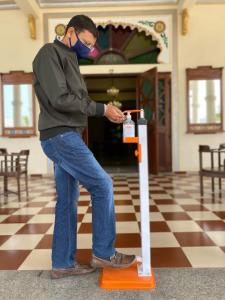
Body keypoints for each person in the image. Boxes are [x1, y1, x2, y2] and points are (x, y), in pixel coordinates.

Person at [32, 15, 136, 280]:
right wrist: (101, 108)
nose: (88, 49)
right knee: (103, 185)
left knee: (67, 200)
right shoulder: (49, 53)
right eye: (86, 42)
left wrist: (106, 111)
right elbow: (60, 99)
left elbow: (79, 99)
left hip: (68, 135)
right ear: (70, 32)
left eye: (91, 45)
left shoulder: (70, 58)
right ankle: (104, 252)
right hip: (60, 136)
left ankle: (63, 263)